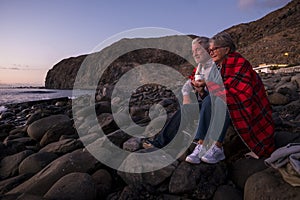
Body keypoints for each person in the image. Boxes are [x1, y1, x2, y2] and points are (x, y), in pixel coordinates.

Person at [185, 32, 275, 164]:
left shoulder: (238, 62)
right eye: (209, 50)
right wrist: (201, 89)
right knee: (207, 101)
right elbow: (214, 91)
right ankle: (201, 144)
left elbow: (236, 91)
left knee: (221, 100)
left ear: (226, 49)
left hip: (248, 104)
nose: (211, 53)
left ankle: (217, 147)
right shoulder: (217, 66)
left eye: (214, 49)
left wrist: (208, 84)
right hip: (227, 101)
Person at [142, 36, 213, 149]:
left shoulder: (215, 66)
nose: (194, 54)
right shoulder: (200, 68)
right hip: (204, 99)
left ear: (208, 50)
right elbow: (188, 84)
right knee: (181, 95)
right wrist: (187, 95)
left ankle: (161, 142)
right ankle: (185, 126)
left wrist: (204, 89)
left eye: (198, 50)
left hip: (214, 104)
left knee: (186, 109)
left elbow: (219, 93)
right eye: (193, 51)